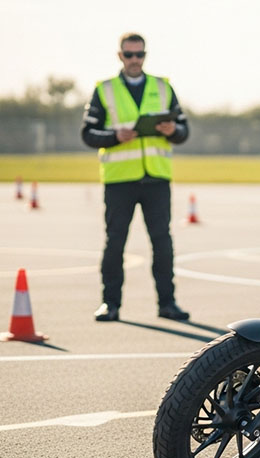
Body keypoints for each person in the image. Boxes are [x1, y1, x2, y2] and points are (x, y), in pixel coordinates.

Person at [81, 32, 190, 322]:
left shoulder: (163, 87)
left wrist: (173, 131)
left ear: (145, 55)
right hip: (120, 180)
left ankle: (167, 304)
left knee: (162, 243)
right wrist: (114, 136)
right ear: (120, 56)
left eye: (139, 54)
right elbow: (88, 134)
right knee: (115, 242)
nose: (134, 60)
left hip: (156, 178)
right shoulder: (104, 90)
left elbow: (183, 131)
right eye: (129, 55)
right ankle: (110, 304)